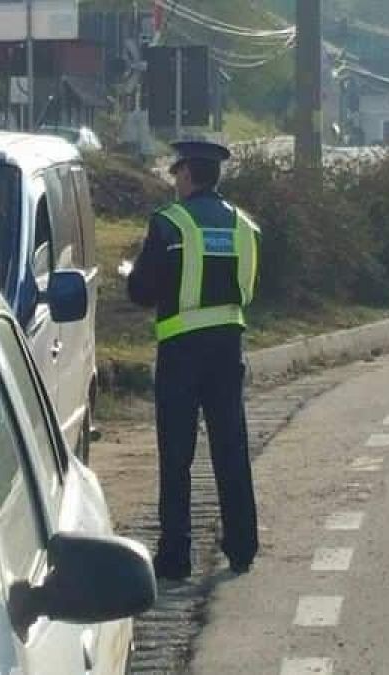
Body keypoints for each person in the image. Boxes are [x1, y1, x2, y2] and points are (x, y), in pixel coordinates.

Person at [126, 139, 261, 580]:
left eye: (176, 172)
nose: (175, 180)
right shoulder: (244, 226)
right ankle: (242, 547)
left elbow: (142, 291)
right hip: (228, 348)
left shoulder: (169, 224)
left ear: (186, 173)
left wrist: (134, 278)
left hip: (181, 352)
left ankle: (175, 556)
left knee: (176, 454)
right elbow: (248, 289)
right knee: (231, 448)